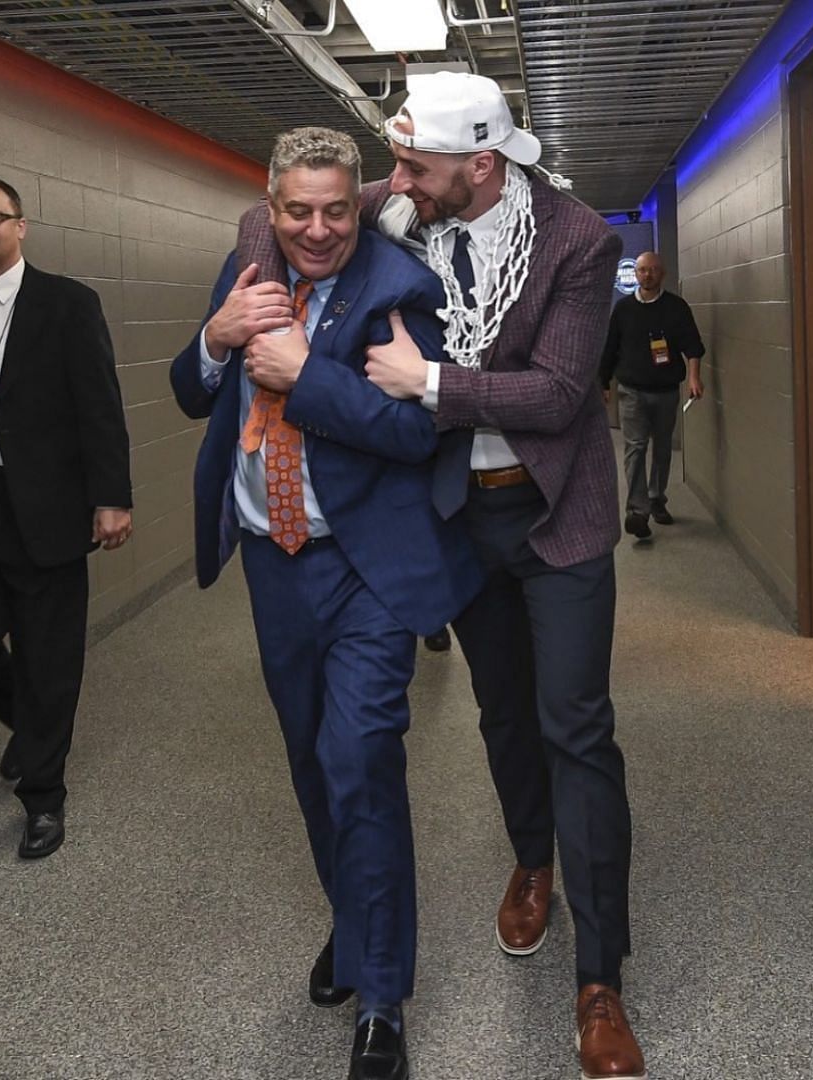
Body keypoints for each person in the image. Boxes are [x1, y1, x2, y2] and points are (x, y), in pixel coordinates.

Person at [253, 72, 641, 1080]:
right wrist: (241, 296)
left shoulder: (579, 242)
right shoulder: (400, 212)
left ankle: (600, 980)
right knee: (504, 713)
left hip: (557, 514)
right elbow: (285, 225)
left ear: (479, 164)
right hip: (455, 519)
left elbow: (558, 394)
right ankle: (532, 857)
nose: (396, 183)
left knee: (577, 725)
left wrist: (426, 382)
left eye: (415, 167)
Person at [171, 127, 481, 1080]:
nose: (316, 229)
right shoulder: (244, 267)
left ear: (363, 203)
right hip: (275, 566)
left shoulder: (401, 287)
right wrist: (214, 343)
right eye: (298, 211)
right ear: (272, 208)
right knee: (310, 761)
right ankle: (354, 925)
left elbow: (410, 433)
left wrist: (309, 380)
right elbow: (192, 394)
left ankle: (382, 994)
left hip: (366, 571)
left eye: (336, 210)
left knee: (360, 760)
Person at [0, 175, 133, 859]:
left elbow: (99, 403)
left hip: (46, 508)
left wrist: (112, 496)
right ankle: (29, 726)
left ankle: (43, 797)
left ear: (21, 225)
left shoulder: (67, 304)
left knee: (48, 658)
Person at [600, 250, 706, 539]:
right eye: (643, 270)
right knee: (635, 448)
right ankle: (638, 510)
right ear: (635, 274)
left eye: (654, 270)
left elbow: (693, 346)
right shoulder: (622, 310)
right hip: (631, 391)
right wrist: (603, 384)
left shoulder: (676, 307)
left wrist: (694, 378)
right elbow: (609, 349)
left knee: (661, 448)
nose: (648, 275)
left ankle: (656, 497)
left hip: (666, 391)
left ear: (663, 274)